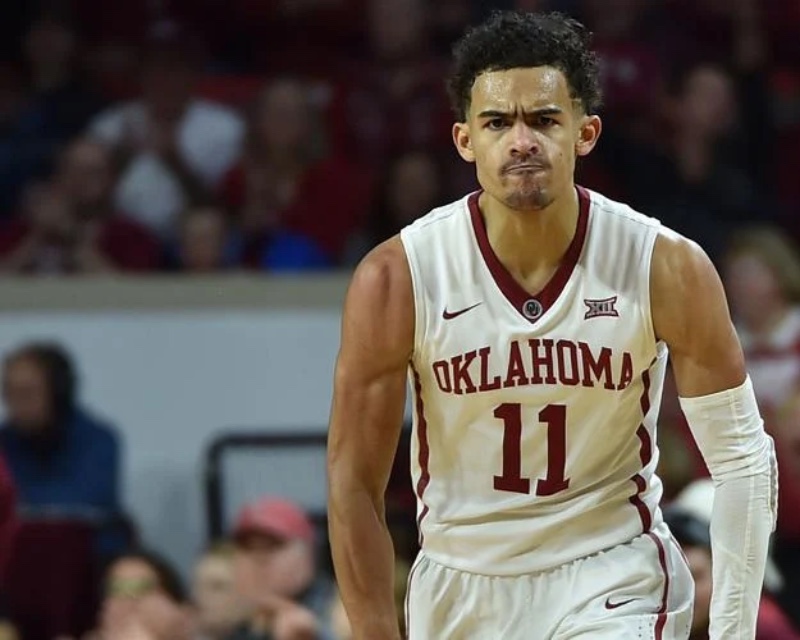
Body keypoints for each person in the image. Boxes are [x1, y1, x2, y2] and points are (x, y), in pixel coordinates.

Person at [327, 10, 777, 640]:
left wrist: (733, 632)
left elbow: (743, 460)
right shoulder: (398, 277)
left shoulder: (664, 265)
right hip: (462, 582)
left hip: (611, 571)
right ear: (464, 140)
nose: (522, 141)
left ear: (585, 132)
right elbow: (353, 483)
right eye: (497, 122)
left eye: (543, 120)